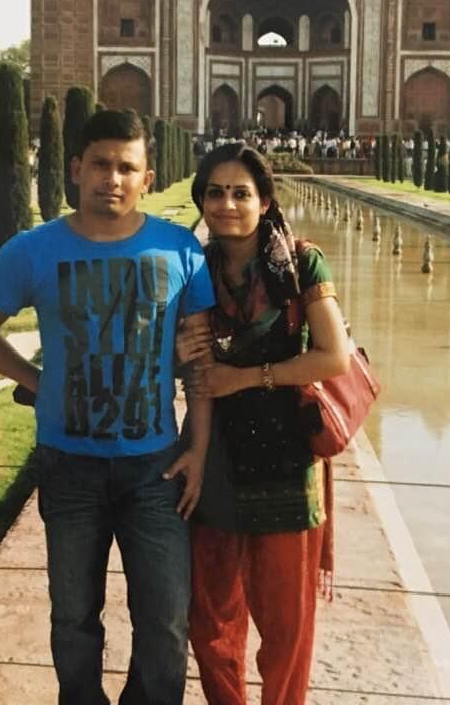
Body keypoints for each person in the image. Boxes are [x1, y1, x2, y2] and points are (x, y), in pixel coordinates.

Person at [0, 109, 216, 705]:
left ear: (147, 178)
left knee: (165, 620)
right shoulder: (33, 250)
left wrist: (198, 450)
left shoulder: (178, 248)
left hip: (155, 468)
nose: (112, 179)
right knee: (73, 617)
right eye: (100, 164)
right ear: (76, 168)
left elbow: (199, 363)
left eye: (126, 167)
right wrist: (36, 379)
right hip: (69, 466)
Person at [176, 143, 349, 705]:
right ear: (201, 200)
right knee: (210, 619)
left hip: (286, 460)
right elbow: (185, 362)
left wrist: (247, 378)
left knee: (286, 626)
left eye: (241, 193)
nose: (227, 204)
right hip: (218, 456)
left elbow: (334, 357)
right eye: (215, 193)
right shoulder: (194, 269)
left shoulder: (300, 263)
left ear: (265, 201)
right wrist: (178, 354)